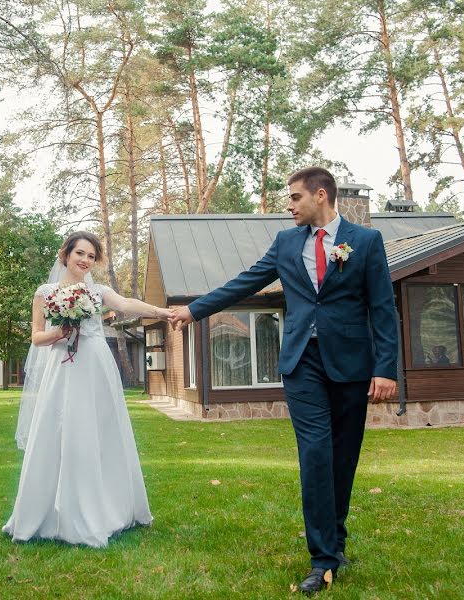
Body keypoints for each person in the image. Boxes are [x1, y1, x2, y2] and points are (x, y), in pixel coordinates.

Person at [169, 167, 398, 594]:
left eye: (295, 198)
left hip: (350, 363)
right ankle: (322, 559)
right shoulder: (286, 242)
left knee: (342, 457)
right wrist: (194, 309)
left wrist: (385, 368)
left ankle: (336, 541)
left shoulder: (365, 242)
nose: (289, 206)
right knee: (315, 454)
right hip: (301, 363)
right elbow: (247, 282)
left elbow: (382, 307)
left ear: (321, 195)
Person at [3, 231, 173, 548]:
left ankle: (107, 508)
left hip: (94, 366)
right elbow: (36, 337)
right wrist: (60, 333)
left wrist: (161, 311)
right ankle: (49, 512)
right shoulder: (46, 292)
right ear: (65, 255)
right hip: (62, 368)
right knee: (57, 431)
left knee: (100, 432)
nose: (85, 260)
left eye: (91, 256)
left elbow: (127, 304)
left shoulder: (98, 291)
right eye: (80, 253)